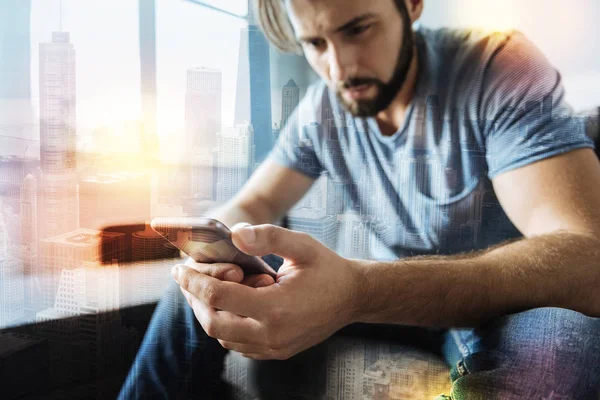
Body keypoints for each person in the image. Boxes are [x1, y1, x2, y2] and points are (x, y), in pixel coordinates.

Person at [119, 0, 600, 398]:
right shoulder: (321, 109)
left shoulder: (498, 68)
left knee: (564, 341)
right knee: (199, 285)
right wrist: (212, 256)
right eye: (315, 43)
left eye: (358, 29)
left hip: (510, 304)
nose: (339, 67)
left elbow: (585, 257)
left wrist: (358, 290)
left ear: (411, 5)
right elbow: (252, 204)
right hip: (399, 300)